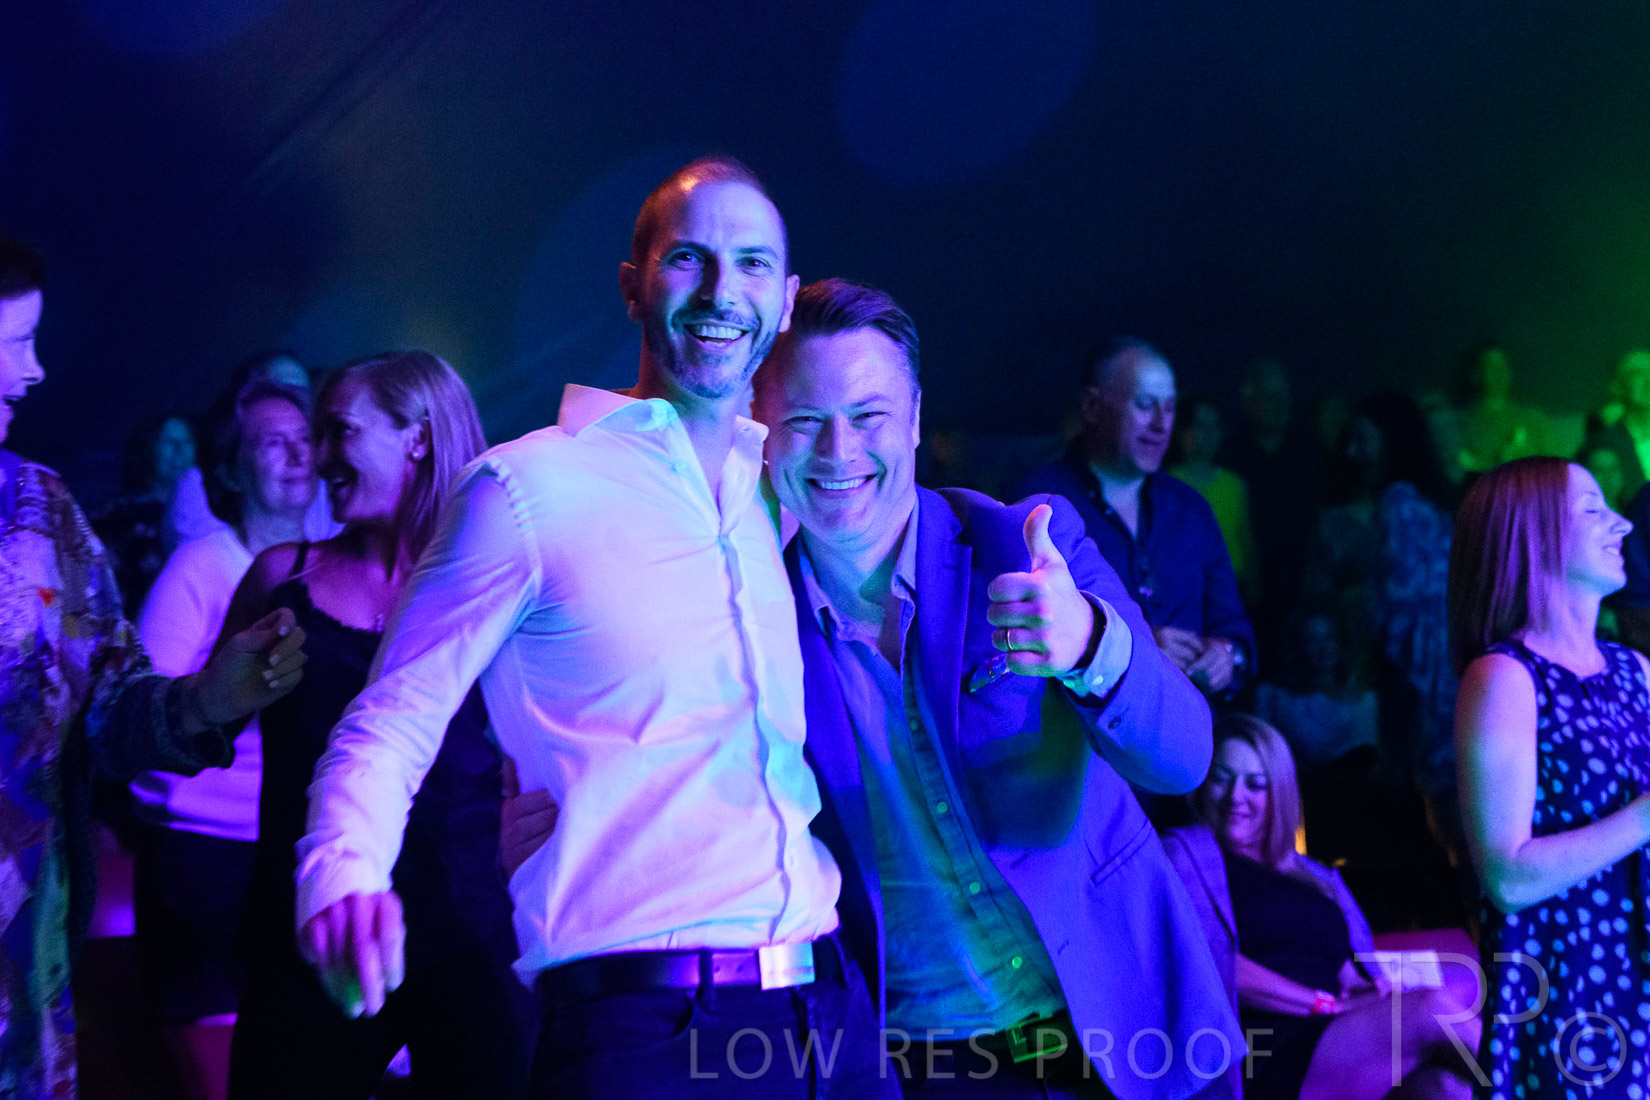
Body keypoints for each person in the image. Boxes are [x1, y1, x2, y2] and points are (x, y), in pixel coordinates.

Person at [292, 159, 894, 1099]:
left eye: (749, 264)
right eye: (689, 258)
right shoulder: (525, 489)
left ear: (782, 303)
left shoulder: (772, 495)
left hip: (830, 1015)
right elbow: (392, 717)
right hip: (645, 1030)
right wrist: (342, 874)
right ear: (633, 286)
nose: (719, 291)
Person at [0, 231, 307, 1097]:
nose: (34, 371)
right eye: (15, 342)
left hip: (20, 996)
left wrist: (208, 698)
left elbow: (112, 710)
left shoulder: (40, 514)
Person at [222, 351, 534, 1099]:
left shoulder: (486, 585)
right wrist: (220, 691)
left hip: (468, 931)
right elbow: (200, 733)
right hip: (310, 928)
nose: (320, 456)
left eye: (341, 431)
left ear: (417, 437)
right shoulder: (281, 578)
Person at [129, 378, 319, 1100]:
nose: (297, 454)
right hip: (206, 854)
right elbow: (143, 718)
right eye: (273, 443)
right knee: (209, 1062)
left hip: (291, 846)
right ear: (231, 472)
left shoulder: (332, 568)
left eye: (305, 439)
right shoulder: (200, 566)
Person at [1451, 456, 1650, 1095]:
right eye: (1592, 508)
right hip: (1572, 991)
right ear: (1533, 536)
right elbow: (1507, 876)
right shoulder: (1504, 678)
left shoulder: (1637, 672)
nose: (1622, 524)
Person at [1162, 715, 1479, 1100]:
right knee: (1432, 1008)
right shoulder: (1185, 854)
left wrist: (1366, 988)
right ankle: (1537, 1079)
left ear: (1279, 793)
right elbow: (1206, 964)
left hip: (1331, 1031)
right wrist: (1320, 1004)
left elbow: (1343, 970)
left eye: (1255, 784)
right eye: (1221, 779)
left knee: (1445, 1089)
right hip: (1265, 1043)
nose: (1235, 796)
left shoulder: (1312, 876)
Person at [1010, 340, 1254, 701]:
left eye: (1169, 408)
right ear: (1092, 406)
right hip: (1083, 731)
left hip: (1191, 724)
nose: (1161, 425)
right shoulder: (1038, 504)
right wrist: (1131, 652)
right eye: (1144, 404)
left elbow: (1234, 626)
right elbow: (1014, 640)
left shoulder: (1190, 509)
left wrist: (1228, 653)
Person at [168, 351, 337, 550]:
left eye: (303, 391)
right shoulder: (201, 556)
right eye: (274, 442)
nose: (291, 401)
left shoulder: (321, 486)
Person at [1218, 359, 1324, 659]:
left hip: (1302, 581)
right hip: (1246, 590)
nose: (1279, 405)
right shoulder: (1229, 455)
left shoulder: (1309, 452)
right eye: (1270, 397)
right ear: (1249, 401)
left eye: (1283, 397)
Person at [93, 412, 200, 610]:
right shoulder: (120, 513)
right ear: (149, 449)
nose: (180, 450)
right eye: (169, 442)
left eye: (187, 441)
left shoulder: (211, 515)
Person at [1169, 396, 1257, 602]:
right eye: (1201, 426)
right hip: (1185, 591)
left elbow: (1246, 540)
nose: (1208, 434)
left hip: (1232, 589)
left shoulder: (1234, 483)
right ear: (1183, 432)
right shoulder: (1165, 484)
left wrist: (1254, 586)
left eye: (1214, 426)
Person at [1452, 342, 1553, 475]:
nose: (1499, 373)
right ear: (1476, 374)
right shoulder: (1463, 424)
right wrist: (1499, 463)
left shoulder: (1533, 418)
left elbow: (1556, 470)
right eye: (1491, 367)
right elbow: (1460, 471)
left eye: (1503, 366)